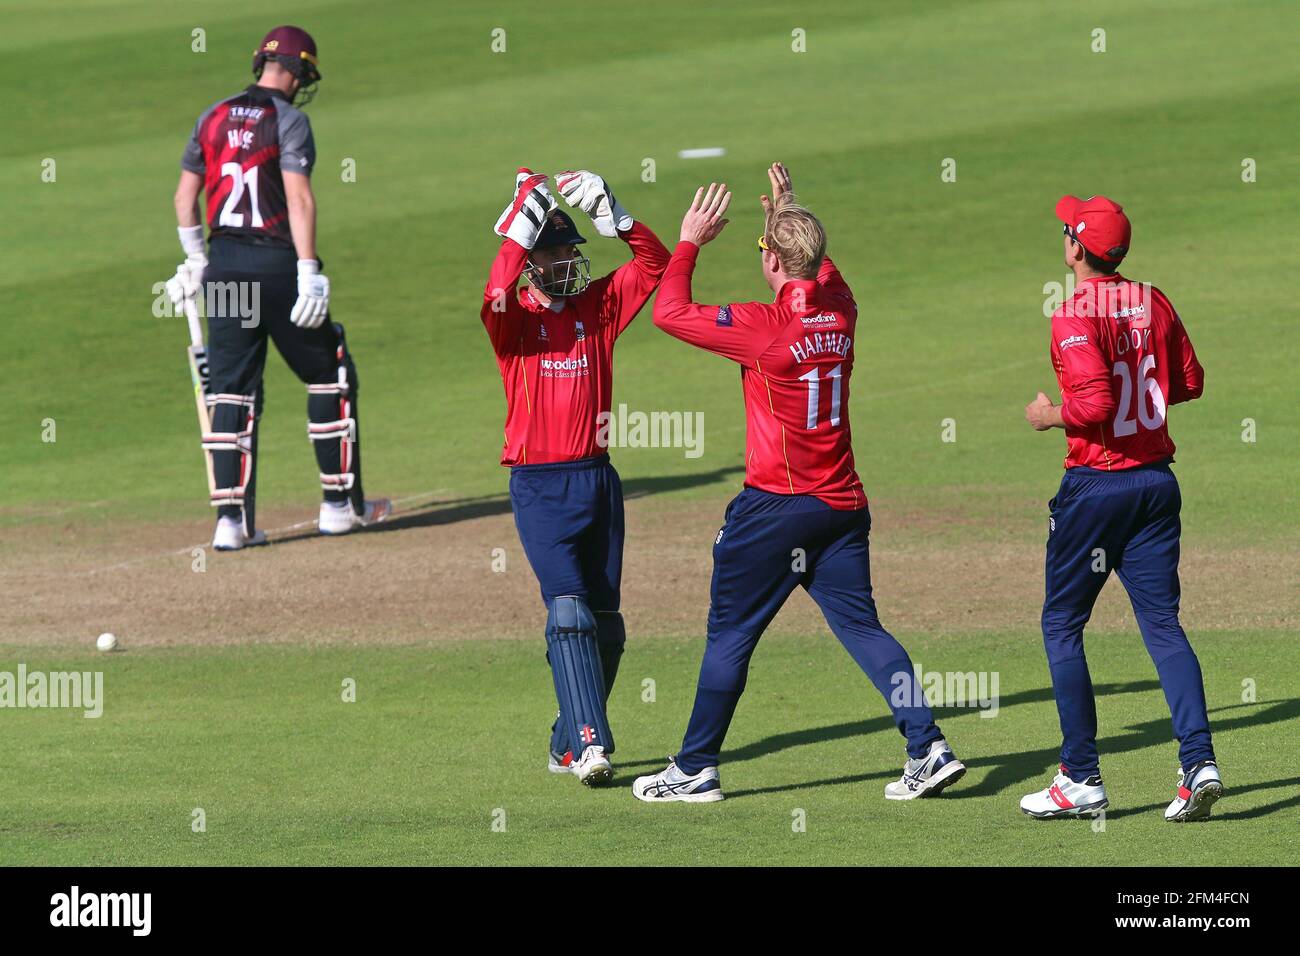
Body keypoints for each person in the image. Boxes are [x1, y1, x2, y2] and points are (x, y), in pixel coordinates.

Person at [633, 164, 964, 803]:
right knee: (865, 630)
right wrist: (785, 217)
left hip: (775, 508)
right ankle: (928, 746)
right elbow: (822, 275)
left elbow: (669, 313)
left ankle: (696, 768)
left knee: (730, 636)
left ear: (773, 261)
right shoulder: (841, 313)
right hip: (841, 502)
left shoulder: (765, 325)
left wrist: (691, 241)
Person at [1020, 195, 1220, 821]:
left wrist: (1048, 415)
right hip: (1156, 484)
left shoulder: (1074, 312)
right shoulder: (1153, 300)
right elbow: (1189, 382)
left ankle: (1080, 777)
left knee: (1061, 626)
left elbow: (1096, 406)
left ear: (1076, 247)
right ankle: (1199, 763)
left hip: (1097, 489)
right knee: (1163, 628)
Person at [165, 25, 388, 551]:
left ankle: (231, 523)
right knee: (328, 374)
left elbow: (183, 198)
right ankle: (338, 507)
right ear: (294, 70)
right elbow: (300, 201)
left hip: (223, 270)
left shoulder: (212, 115)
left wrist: (196, 257)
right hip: (277, 269)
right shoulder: (289, 120)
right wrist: (308, 270)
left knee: (230, 392)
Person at [482, 169, 670, 786]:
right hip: (539, 485)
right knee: (569, 612)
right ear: (532, 260)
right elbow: (494, 290)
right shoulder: (512, 323)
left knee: (607, 624)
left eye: (572, 251)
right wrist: (520, 228)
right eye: (555, 252)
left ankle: (565, 741)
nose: (567, 262)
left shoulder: (599, 307)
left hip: (599, 481)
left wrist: (617, 219)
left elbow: (658, 266)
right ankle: (592, 746)